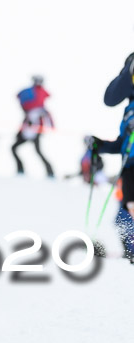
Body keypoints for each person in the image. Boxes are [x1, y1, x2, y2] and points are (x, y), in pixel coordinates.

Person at [90, 53, 134, 263]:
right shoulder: (130, 109)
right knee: (122, 217)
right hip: (129, 166)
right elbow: (122, 143)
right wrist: (100, 145)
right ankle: (131, 252)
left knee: (129, 211)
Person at [11, 76, 55, 177]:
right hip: (27, 132)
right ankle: (20, 169)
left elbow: (46, 119)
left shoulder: (40, 110)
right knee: (14, 148)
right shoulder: (30, 111)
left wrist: (50, 127)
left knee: (38, 152)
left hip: (35, 133)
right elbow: (26, 122)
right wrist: (18, 133)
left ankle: (50, 172)